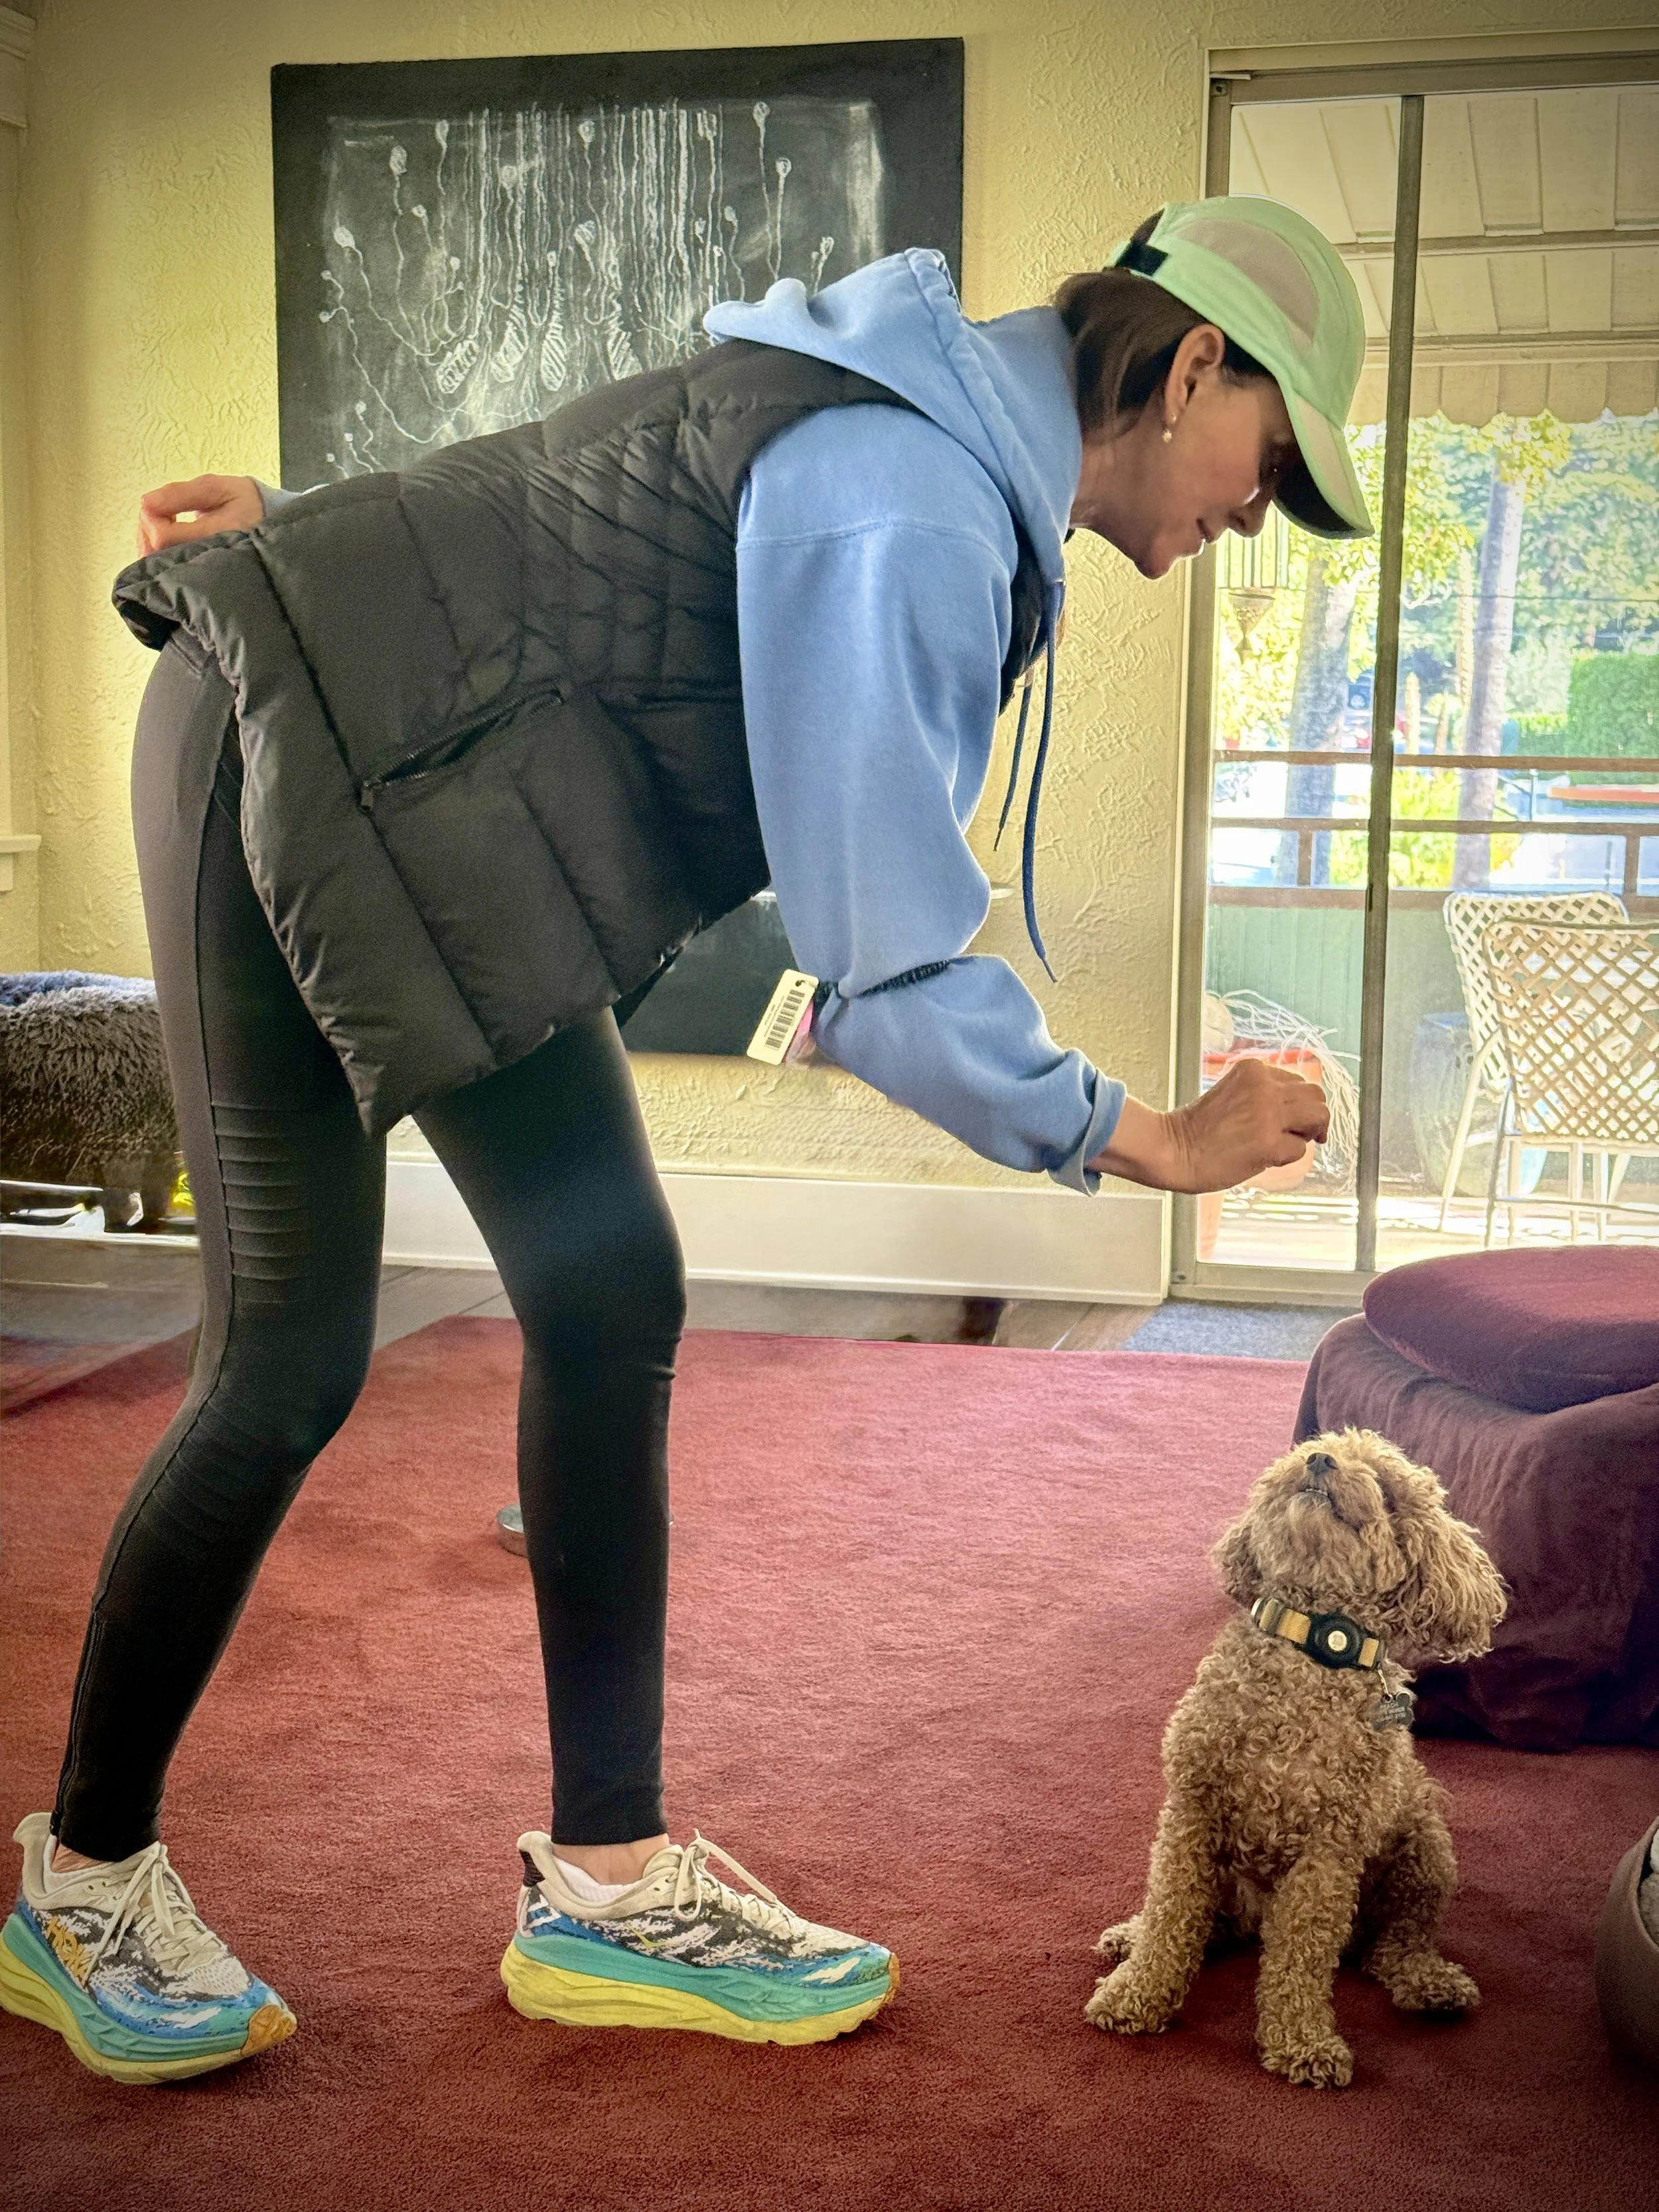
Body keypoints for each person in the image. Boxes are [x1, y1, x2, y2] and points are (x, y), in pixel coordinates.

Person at [1, 196, 1362, 2083]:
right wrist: (1155, 1141)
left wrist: (323, 523)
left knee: (606, 1284)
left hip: (438, 802)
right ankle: (79, 1881)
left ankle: (610, 1878)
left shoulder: (906, 405)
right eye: (1275, 463)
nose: (1259, 515)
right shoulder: (911, 490)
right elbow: (886, 977)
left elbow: (570, 503)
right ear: (1194, 363)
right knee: (289, 1357)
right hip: (294, 734)